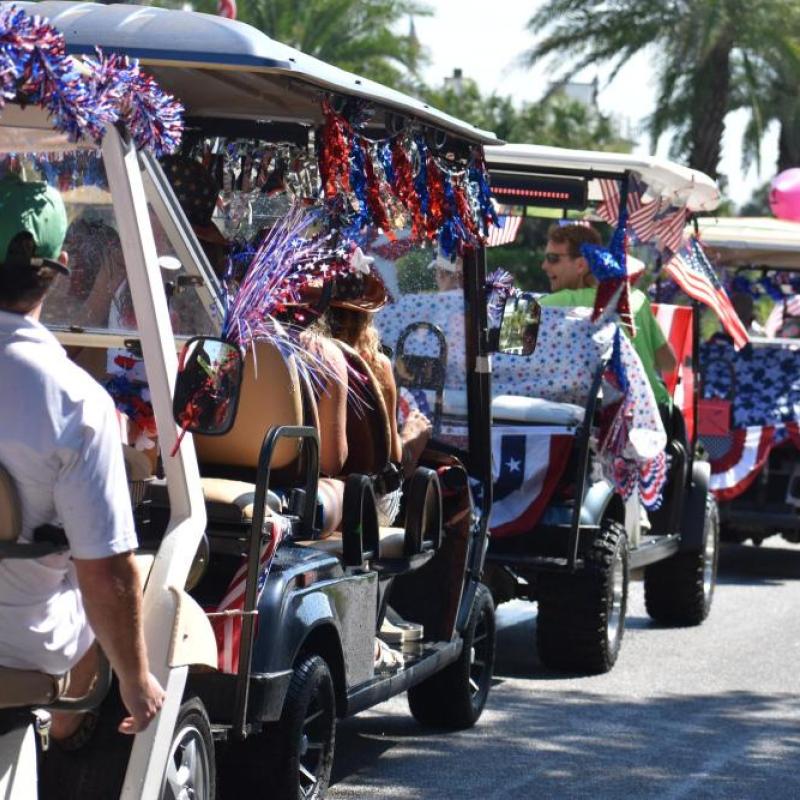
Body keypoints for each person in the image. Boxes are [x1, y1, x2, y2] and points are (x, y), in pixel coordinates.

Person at [0, 175, 164, 741]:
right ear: (60, 264)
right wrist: (137, 681)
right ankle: (58, 745)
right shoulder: (75, 402)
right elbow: (108, 574)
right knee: (124, 576)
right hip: (18, 638)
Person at [538, 223, 677, 406]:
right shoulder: (636, 298)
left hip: (603, 418)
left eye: (553, 258)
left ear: (581, 265)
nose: (544, 266)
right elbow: (669, 363)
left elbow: (509, 343)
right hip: (654, 411)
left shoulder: (553, 305)